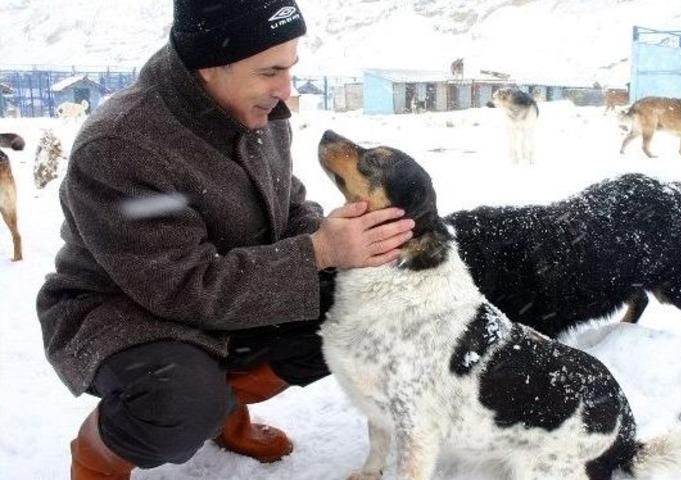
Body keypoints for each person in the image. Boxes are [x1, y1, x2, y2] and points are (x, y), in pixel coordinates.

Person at [35, 1, 414, 478]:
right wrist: (319, 251)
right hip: (125, 311)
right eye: (270, 71)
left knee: (363, 308)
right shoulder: (119, 145)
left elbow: (288, 205)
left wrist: (342, 243)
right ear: (210, 66)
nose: (285, 90)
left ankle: (226, 408)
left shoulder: (258, 109)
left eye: (290, 69)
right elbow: (181, 287)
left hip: (230, 288)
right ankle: (99, 458)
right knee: (181, 398)